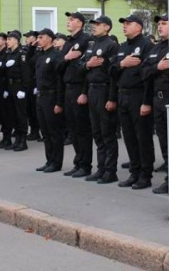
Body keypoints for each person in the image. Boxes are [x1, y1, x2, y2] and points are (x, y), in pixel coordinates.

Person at [112, 15, 155, 189]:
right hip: (123, 95)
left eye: (128, 24)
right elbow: (112, 71)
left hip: (139, 95)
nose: (124, 26)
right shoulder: (122, 47)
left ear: (138, 27)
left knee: (142, 137)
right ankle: (134, 172)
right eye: (124, 24)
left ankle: (146, 175)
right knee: (128, 137)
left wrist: (146, 101)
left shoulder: (146, 45)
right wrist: (122, 64)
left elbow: (149, 77)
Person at [81, 15, 120, 184]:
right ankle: (101, 168)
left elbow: (113, 75)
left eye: (98, 24)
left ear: (107, 27)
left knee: (107, 132)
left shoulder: (111, 45)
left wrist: (112, 98)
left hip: (104, 90)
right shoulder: (92, 45)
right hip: (92, 90)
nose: (94, 27)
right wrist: (88, 65)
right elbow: (81, 66)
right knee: (96, 132)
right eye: (94, 24)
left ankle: (110, 171)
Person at [61, 12, 94, 178]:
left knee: (82, 129)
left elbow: (88, 70)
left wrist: (84, 92)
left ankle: (85, 165)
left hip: (79, 88)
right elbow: (59, 65)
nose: (68, 22)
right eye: (68, 19)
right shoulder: (68, 43)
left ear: (80, 23)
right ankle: (78, 161)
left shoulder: (86, 40)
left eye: (72, 20)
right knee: (73, 129)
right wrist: (66, 58)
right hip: (68, 88)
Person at [142, 14, 169, 194]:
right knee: (164, 141)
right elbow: (143, 72)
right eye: (159, 24)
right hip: (157, 99)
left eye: (164, 24)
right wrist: (157, 68)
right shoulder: (155, 49)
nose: (160, 27)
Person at [34, 29, 66, 172]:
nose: (38, 40)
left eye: (41, 37)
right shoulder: (40, 54)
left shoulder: (56, 55)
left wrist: (59, 103)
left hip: (51, 96)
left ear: (50, 39)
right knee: (45, 132)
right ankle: (49, 160)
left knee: (54, 132)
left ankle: (56, 162)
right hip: (41, 96)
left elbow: (59, 81)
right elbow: (29, 61)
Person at [4, 30, 32, 152]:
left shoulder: (22, 54)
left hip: (19, 87)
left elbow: (26, 73)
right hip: (10, 86)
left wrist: (24, 89)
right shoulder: (9, 53)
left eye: (9, 39)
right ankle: (17, 139)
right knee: (12, 114)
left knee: (21, 115)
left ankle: (23, 140)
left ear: (16, 40)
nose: (7, 41)